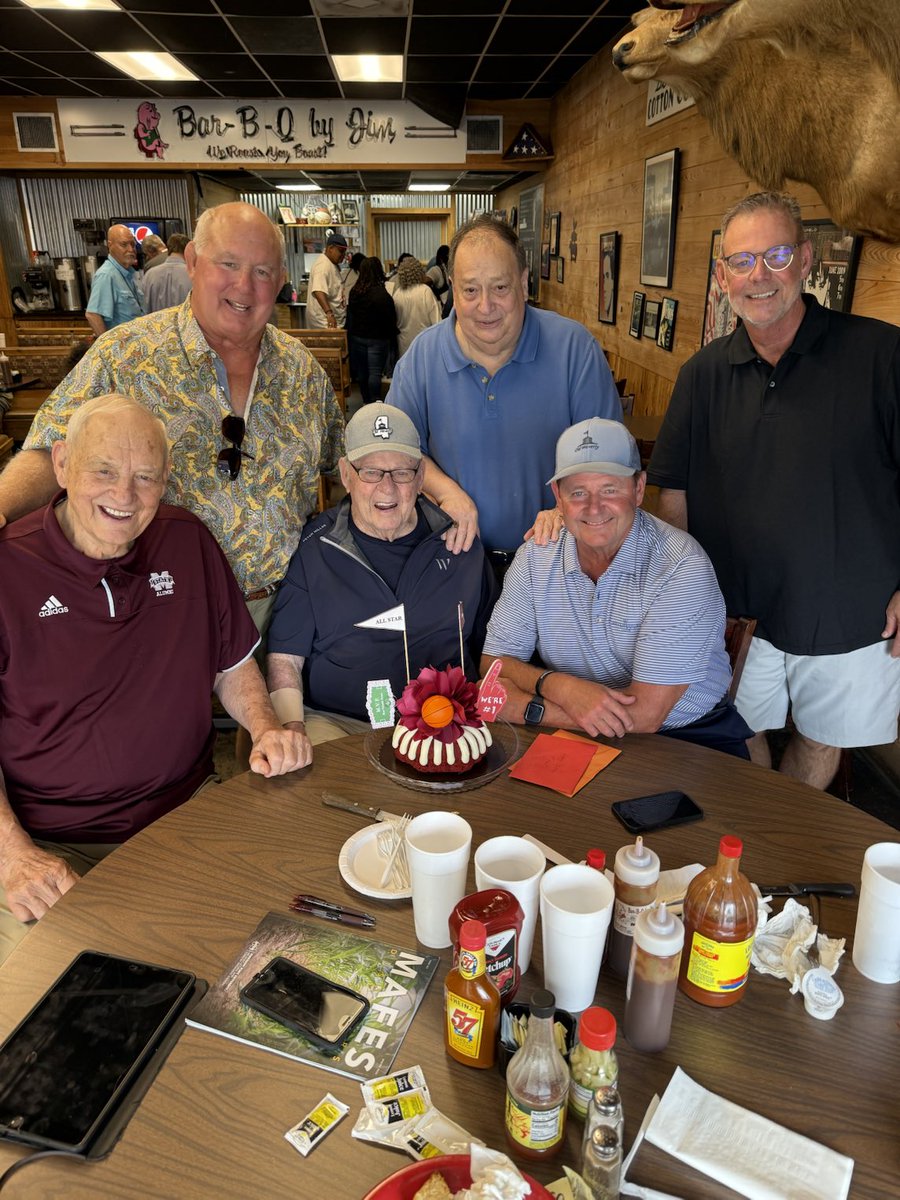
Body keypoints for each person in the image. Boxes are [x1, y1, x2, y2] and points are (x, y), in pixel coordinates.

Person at [0, 395, 309, 962]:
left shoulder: (185, 540)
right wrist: (13, 857)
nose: (124, 496)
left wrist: (265, 727)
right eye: (104, 472)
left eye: (145, 477)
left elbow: (231, 662)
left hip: (189, 815)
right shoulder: (7, 566)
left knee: (276, 951)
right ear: (62, 464)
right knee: (47, 1010)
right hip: (50, 844)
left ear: (166, 478)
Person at [646, 190, 900, 789]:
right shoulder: (701, 374)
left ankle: (782, 852)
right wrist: (684, 600)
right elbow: (672, 492)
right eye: (742, 260)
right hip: (734, 614)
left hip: (852, 614)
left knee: (821, 739)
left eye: (778, 255)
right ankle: (757, 851)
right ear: (722, 274)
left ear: (807, 259)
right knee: (737, 728)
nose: (759, 276)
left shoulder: (880, 354)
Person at [0, 201, 343, 642]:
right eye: (229, 263)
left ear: (279, 281)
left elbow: (345, 468)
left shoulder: (303, 373)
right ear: (194, 263)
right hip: (156, 616)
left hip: (282, 618)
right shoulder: (123, 357)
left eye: (262, 271)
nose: (244, 285)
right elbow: (52, 451)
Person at [481, 419, 751, 757]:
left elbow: (645, 715)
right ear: (558, 498)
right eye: (578, 492)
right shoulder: (536, 555)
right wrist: (559, 686)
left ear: (638, 489)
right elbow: (494, 665)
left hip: (686, 738)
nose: (594, 507)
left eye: (610, 489)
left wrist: (529, 708)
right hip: (569, 733)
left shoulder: (681, 566)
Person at [387, 214, 621, 563]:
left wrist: (565, 506)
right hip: (453, 560)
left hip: (554, 561)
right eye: (470, 290)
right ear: (452, 286)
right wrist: (447, 492)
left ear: (524, 284)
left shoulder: (575, 349)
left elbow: (609, 457)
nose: (485, 306)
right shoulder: (422, 356)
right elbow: (397, 450)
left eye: (500, 287)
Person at [267, 403, 497, 757]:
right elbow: (285, 658)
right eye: (371, 472)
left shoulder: (460, 545)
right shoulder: (316, 548)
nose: (387, 488)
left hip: (442, 724)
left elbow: (493, 651)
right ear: (346, 474)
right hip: (339, 724)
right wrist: (292, 730)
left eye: (401, 472)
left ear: (421, 478)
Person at [346, 257, 396, 405]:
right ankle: (375, 401)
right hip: (377, 339)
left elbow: (351, 314)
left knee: (362, 373)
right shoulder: (381, 294)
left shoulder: (354, 292)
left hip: (357, 337)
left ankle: (366, 401)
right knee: (374, 373)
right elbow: (390, 317)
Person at [85, 224, 146, 335]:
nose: (131, 249)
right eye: (124, 244)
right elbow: (93, 315)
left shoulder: (128, 274)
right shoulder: (106, 275)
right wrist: (107, 348)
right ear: (110, 245)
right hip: (122, 349)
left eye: (133, 244)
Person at [392, 257, 441, 359]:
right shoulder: (425, 291)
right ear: (419, 272)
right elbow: (437, 322)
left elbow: (395, 322)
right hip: (425, 343)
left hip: (403, 345)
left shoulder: (397, 294)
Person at [307, 232, 347, 329]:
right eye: (341, 251)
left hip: (333, 321)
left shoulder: (331, 263)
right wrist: (329, 314)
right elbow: (318, 290)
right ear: (330, 248)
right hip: (325, 323)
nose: (343, 255)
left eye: (344, 252)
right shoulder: (323, 265)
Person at [143, 232, 192, 313]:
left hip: (156, 324)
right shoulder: (193, 275)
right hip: (185, 324)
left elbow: (144, 307)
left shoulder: (149, 275)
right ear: (187, 251)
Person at [426, 244, 451, 311]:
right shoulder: (435, 270)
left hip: (448, 307)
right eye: (448, 257)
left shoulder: (447, 270)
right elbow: (424, 283)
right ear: (442, 259)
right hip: (440, 309)